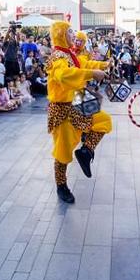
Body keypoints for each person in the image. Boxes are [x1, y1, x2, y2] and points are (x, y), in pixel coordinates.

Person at [45, 21, 109, 203]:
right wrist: (91, 74)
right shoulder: (57, 57)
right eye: (70, 31)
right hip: (62, 107)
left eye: (74, 32)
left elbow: (83, 65)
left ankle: (86, 152)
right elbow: (64, 76)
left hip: (78, 99)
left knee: (103, 121)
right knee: (63, 151)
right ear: (60, 34)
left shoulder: (69, 54)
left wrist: (100, 68)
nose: (74, 35)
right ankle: (61, 185)